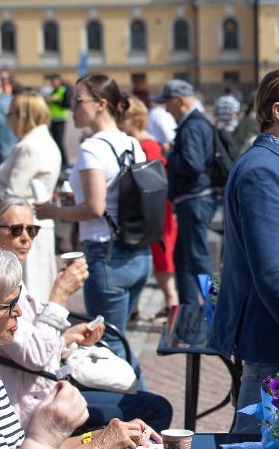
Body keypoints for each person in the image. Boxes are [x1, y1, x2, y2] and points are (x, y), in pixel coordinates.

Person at [0, 196, 173, 434]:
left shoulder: (10, 277)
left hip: (48, 386)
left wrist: (69, 336)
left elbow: (29, 344)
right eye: (16, 230)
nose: (26, 238)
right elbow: (34, 356)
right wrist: (60, 294)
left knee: (143, 399)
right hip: (34, 405)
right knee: (154, 408)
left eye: (32, 230)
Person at [0, 239, 162, 449]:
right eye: (7, 305)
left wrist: (105, 435)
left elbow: (20, 444)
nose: (18, 311)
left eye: (18, 299)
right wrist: (100, 444)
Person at [211, 69, 279, 435]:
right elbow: (271, 270)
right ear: (278, 110)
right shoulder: (264, 170)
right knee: (260, 440)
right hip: (277, 342)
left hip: (278, 339)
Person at [34, 75, 152, 371]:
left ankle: (144, 408)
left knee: (109, 345)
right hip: (138, 253)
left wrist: (53, 210)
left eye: (78, 101)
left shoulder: (92, 148)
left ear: (101, 104)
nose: (71, 107)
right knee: (118, 340)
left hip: (106, 255)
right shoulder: (132, 143)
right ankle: (142, 407)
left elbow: (95, 208)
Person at [0, 92, 61, 301]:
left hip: (24, 228)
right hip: (36, 224)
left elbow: (14, 195)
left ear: (22, 115)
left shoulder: (29, 147)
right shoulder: (43, 141)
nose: (7, 119)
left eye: (10, 114)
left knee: (29, 291)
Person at [156, 79, 216, 306]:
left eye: (167, 103)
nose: (165, 108)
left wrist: (169, 154)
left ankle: (218, 309)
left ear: (180, 101)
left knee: (200, 259)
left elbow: (193, 164)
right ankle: (189, 312)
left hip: (195, 199)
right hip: (192, 200)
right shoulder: (195, 123)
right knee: (183, 259)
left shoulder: (192, 125)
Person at [120, 97, 179, 317]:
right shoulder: (139, 143)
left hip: (155, 210)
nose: (119, 122)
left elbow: (154, 183)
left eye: (123, 117)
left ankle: (172, 304)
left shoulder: (148, 145)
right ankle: (136, 306)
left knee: (162, 256)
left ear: (135, 119)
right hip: (146, 209)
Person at [46, 74, 73, 168]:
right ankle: (59, 162)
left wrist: (55, 101)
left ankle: (65, 163)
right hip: (52, 120)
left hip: (61, 120)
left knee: (60, 142)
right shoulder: (52, 92)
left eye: (54, 81)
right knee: (55, 142)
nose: (53, 83)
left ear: (59, 81)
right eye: (51, 82)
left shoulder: (63, 90)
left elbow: (67, 104)